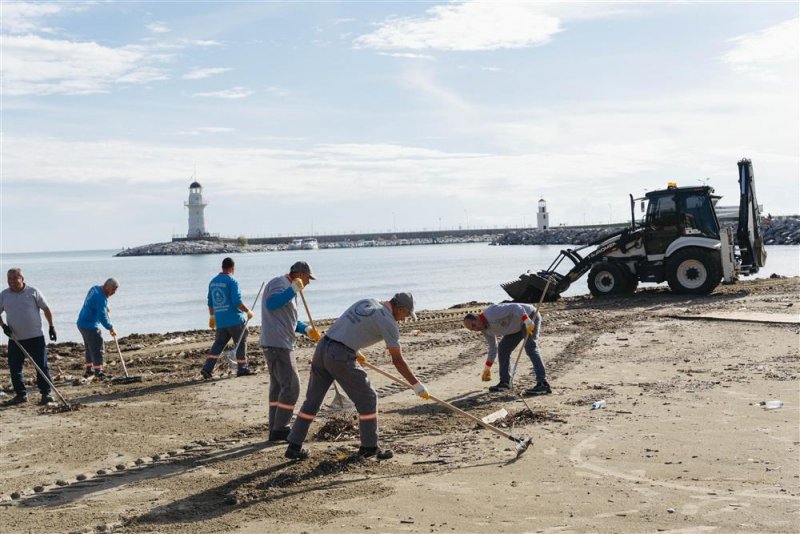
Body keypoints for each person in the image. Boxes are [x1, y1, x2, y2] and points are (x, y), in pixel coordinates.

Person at [285, 292, 428, 461]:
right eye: (406, 315)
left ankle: (293, 446)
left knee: (312, 401)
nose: (404, 319)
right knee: (368, 398)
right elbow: (397, 360)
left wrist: (356, 350)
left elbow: (348, 327)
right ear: (401, 308)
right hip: (340, 356)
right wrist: (416, 385)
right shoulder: (388, 322)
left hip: (323, 347)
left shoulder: (367, 302)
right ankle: (369, 447)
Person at [261, 261, 320, 442]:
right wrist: (292, 289)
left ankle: (275, 427)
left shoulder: (291, 289)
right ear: (299, 274)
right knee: (292, 386)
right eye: (307, 278)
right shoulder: (280, 283)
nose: (308, 283)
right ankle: (281, 428)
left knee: (279, 386)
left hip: (280, 342)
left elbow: (288, 319)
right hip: (278, 344)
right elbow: (272, 304)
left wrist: (306, 329)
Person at [463, 302, 552, 396]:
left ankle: (543, 384)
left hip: (529, 316)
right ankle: (505, 383)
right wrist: (487, 368)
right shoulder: (485, 330)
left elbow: (515, 307)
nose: (476, 329)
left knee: (530, 348)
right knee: (503, 349)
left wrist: (527, 320)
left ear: (477, 318)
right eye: (472, 329)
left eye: (474, 325)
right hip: (516, 328)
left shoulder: (491, 313)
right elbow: (493, 348)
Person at [0, 268, 56, 406]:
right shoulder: (4, 295)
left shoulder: (33, 292)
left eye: (14, 278)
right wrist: (3, 326)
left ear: (22, 278)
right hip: (15, 338)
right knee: (15, 367)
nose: (11, 281)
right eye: (9, 279)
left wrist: (51, 327)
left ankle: (46, 393)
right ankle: (20, 395)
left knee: (41, 366)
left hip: (36, 337)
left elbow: (46, 309)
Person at [202, 257, 255, 379]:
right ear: (232, 268)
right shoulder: (232, 281)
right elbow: (237, 301)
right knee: (241, 341)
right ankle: (242, 368)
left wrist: (212, 316)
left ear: (222, 267)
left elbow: (210, 302)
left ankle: (207, 368)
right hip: (235, 319)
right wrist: (248, 311)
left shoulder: (213, 281)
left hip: (220, 320)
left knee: (218, 344)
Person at [77, 278, 119, 379]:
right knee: (98, 347)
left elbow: (93, 302)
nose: (114, 292)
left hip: (81, 323)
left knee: (89, 347)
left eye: (115, 290)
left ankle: (89, 370)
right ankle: (98, 371)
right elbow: (102, 316)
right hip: (90, 325)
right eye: (113, 290)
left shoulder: (94, 288)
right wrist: (110, 327)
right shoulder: (101, 298)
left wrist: (105, 306)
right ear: (106, 286)